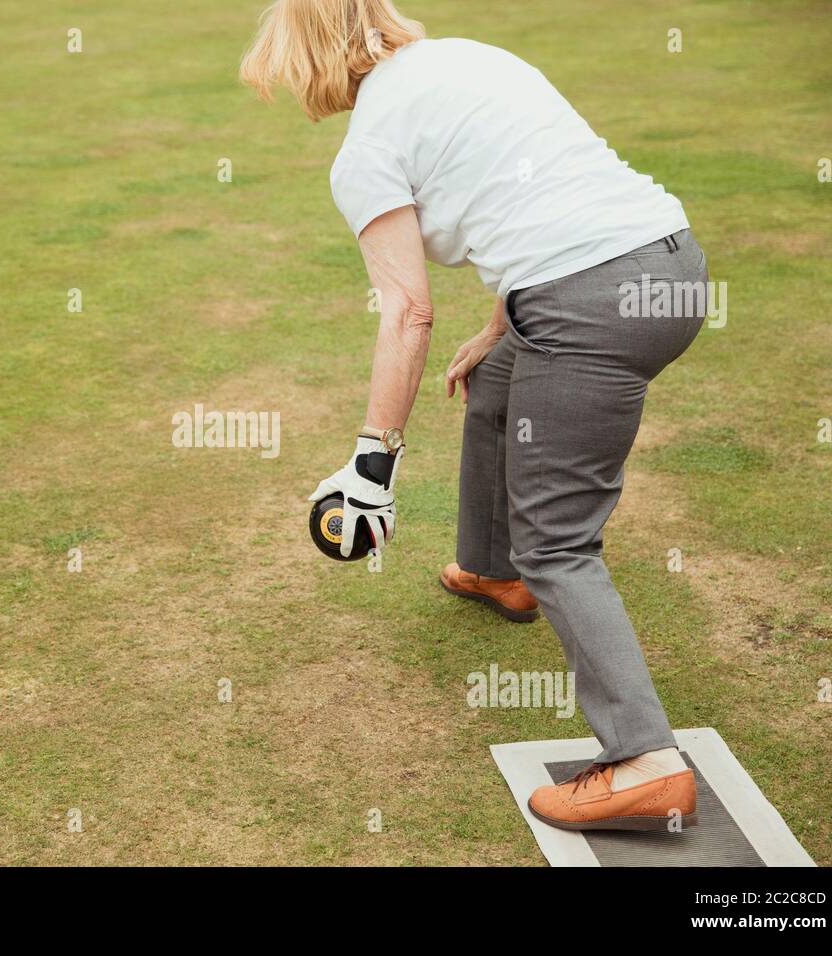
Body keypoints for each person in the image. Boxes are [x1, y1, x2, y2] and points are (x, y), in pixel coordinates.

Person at [241, 0, 708, 831]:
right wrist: (501, 325)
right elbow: (539, 189)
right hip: (669, 265)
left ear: (303, 56)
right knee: (495, 379)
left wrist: (370, 468)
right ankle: (494, 570)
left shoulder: (366, 151)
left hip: (591, 307)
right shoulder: (471, 58)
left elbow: (405, 313)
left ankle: (645, 758)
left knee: (560, 541)